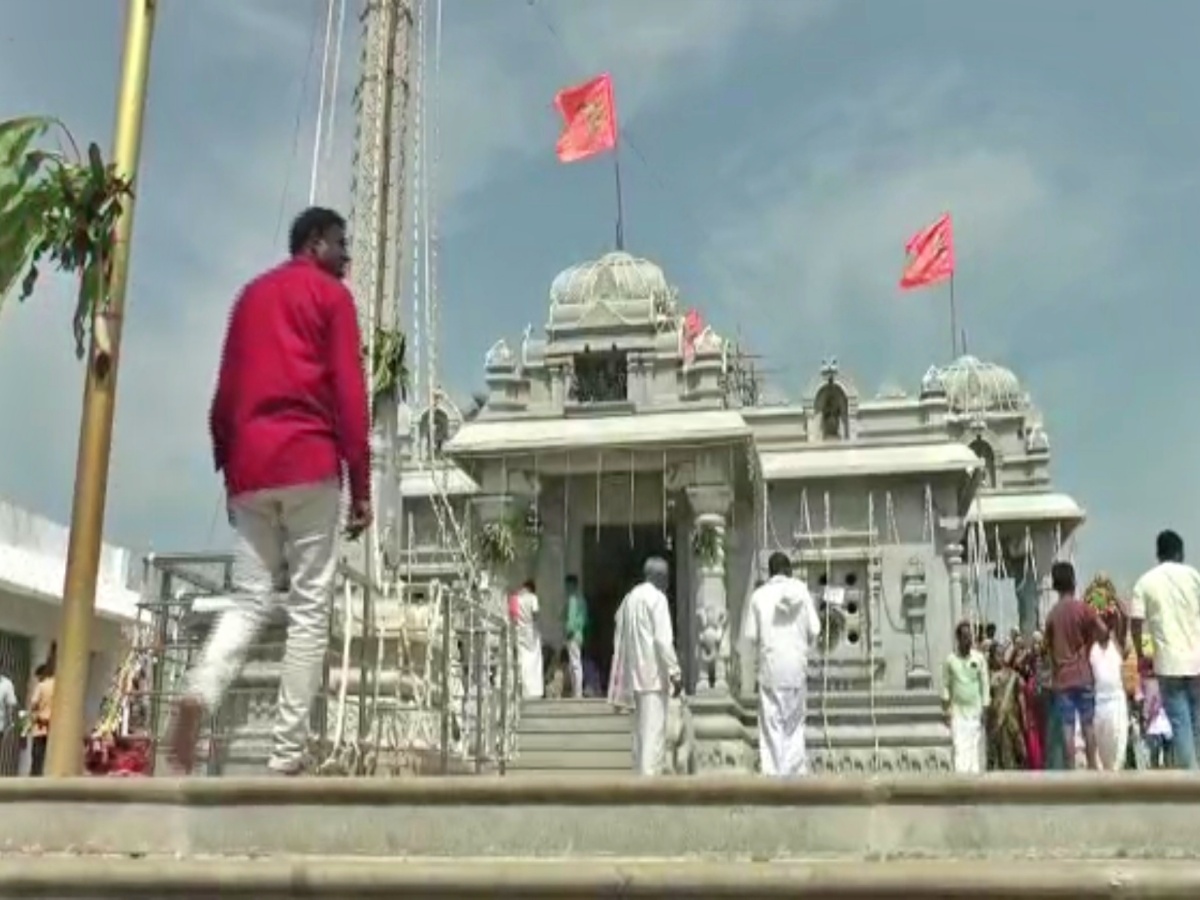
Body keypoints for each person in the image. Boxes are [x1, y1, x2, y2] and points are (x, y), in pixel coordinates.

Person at [167, 207, 372, 775]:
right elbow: (351, 396)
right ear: (313, 243)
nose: (346, 254)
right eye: (340, 243)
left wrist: (227, 462)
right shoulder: (332, 299)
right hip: (309, 463)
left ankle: (200, 693)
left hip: (250, 469)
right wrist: (362, 485)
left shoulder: (249, 297)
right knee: (310, 607)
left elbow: (225, 389)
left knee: (251, 598)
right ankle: (286, 753)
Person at [741, 552, 821, 777]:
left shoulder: (759, 596)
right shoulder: (802, 593)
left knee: (771, 723)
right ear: (789, 570)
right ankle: (794, 775)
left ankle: (773, 775)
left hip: (771, 668)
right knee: (794, 725)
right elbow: (815, 629)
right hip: (796, 667)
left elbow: (752, 635)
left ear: (770, 571)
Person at [1130, 529, 1200, 769]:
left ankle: (1192, 780)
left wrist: (1141, 654)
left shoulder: (1146, 581)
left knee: (1180, 723)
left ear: (1158, 553)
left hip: (1168, 664)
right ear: (1180, 552)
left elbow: (1136, 621)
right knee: (1197, 721)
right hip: (1197, 661)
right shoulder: (1194, 576)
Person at [608, 557, 682, 776]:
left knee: (639, 733)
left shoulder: (630, 598)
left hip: (633, 673)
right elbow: (662, 639)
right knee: (653, 732)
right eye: (667, 578)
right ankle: (649, 782)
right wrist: (675, 671)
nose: (668, 583)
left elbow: (617, 622)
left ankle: (640, 776)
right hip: (653, 674)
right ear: (660, 577)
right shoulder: (656, 598)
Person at [942, 620, 989, 774]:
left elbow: (984, 685)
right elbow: (945, 686)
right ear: (959, 639)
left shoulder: (979, 658)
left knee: (974, 753)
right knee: (960, 752)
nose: (969, 641)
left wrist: (985, 707)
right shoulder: (950, 661)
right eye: (965, 637)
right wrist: (947, 710)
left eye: (970, 637)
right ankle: (961, 789)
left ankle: (975, 791)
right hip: (958, 714)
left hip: (975, 712)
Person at [1090, 620, 1129, 771]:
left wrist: (1110, 600)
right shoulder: (1092, 648)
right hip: (1099, 702)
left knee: (1118, 744)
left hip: (1116, 700)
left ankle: (1116, 780)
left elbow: (1124, 615)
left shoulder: (1116, 643)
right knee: (1102, 747)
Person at [514, 580, 544, 699]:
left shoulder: (516, 598)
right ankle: (534, 689)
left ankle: (522, 687)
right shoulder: (533, 598)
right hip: (530, 631)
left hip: (518, 631)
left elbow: (513, 615)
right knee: (534, 661)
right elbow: (535, 613)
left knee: (521, 659)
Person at [564, 575, 589, 699]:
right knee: (576, 662)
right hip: (579, 633)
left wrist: (568, 630)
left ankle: (577, 692)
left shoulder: (573, 599)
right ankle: (577, 691)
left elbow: (571, 619)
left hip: (573, 634)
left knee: (574, 663)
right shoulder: (581, 599)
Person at [27, 665, 54, 777]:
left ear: (42, 675)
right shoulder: (59, 686)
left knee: (37, 757)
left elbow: (33, 705)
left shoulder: (41, 686)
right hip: (54, 728)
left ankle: (35, 780)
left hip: (40, 726)